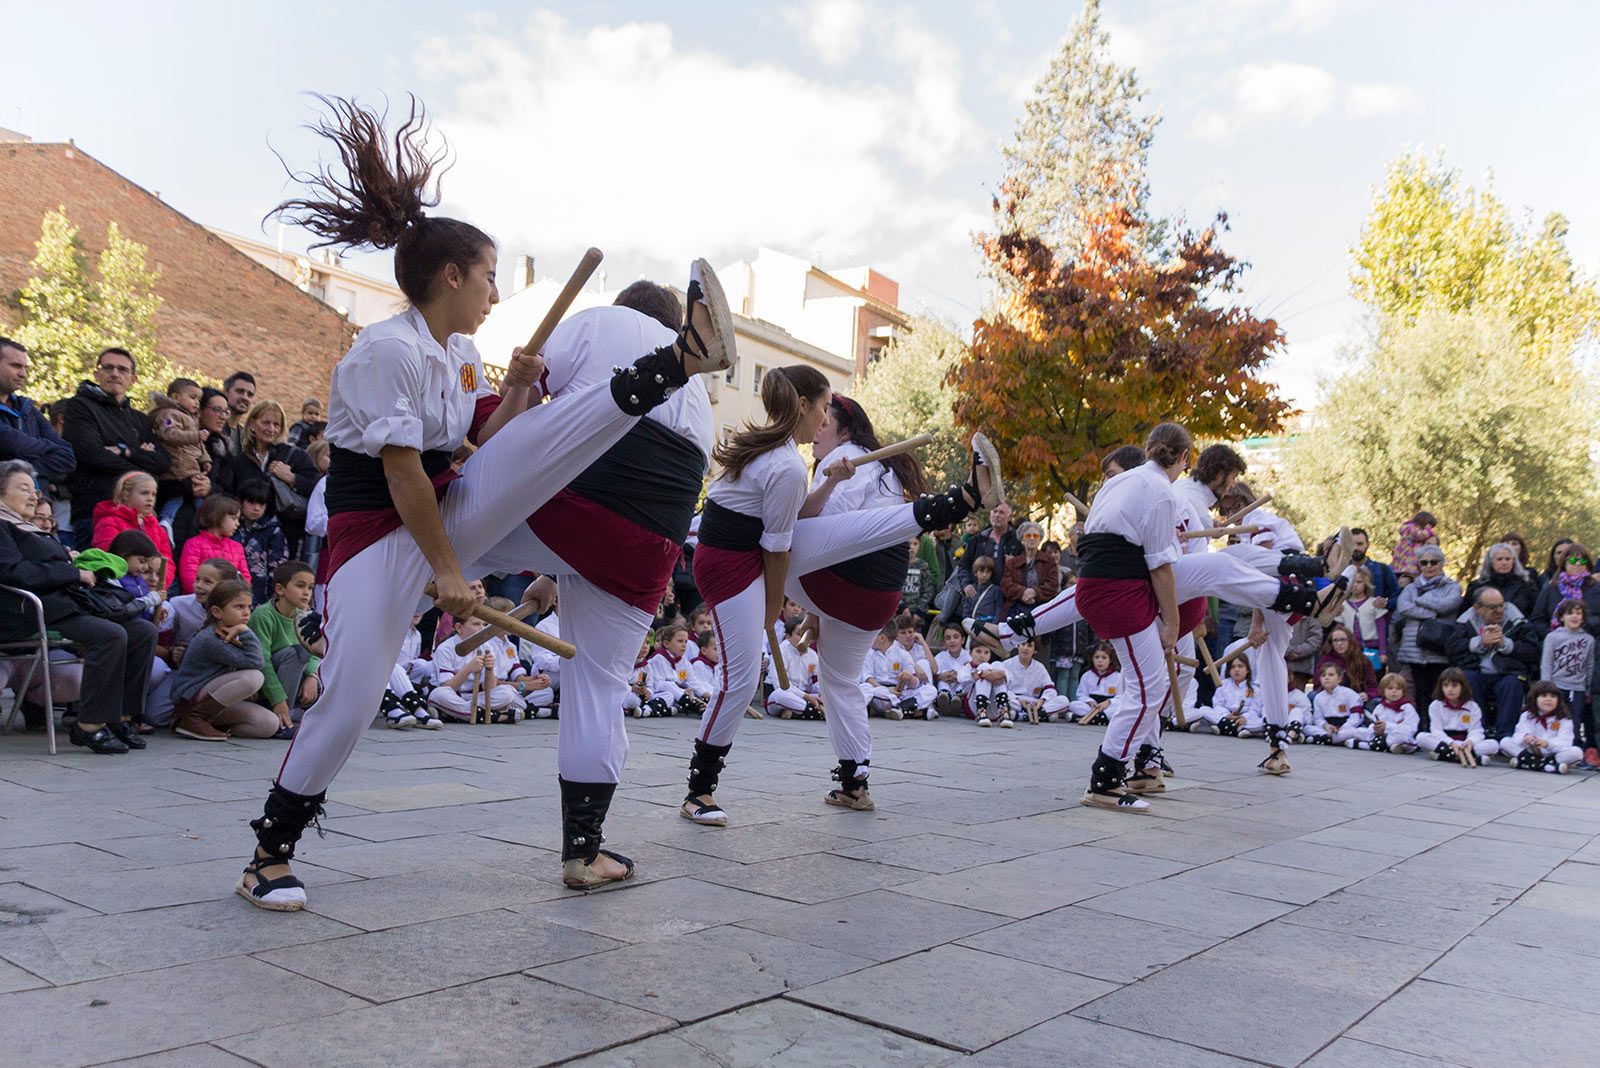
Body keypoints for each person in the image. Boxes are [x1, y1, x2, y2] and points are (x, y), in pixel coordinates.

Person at [235, 95, 739, 910]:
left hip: (450, 503)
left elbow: (488, 442)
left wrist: (516, 395)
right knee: (354, 696)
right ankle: (269, 853)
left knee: (554, 433)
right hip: (379, 536)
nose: (497, 295)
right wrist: (446, 571)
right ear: (452, 275)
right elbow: (400, 475)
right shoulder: (382, 350)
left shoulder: (463, 353)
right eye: (491, 277)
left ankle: (674, 364)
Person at [682, 384, 1001, 823]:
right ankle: (854, 782)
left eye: (826, 422)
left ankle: (960, 500)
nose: (818, 432)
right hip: (877, 595)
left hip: (843, 574)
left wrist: (785, 599)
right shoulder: (876, 468)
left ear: (842, 429)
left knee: (786, 540)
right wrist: (812, 606)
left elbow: (820, 533)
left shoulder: (837, 459)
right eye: (820, 416)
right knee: (841, 682)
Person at [0, 459, 157, 752]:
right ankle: (89, 724)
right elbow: (13, 572)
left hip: (65, 602)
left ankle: (121, 716)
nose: (34, 494)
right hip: (33, 610)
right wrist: (73, 572)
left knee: (142, 631)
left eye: (34, 487)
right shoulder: (2, 526)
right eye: (23, 488)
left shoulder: (28, 527)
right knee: (110, 635)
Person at [59, 347, 172, 548]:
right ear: (97, 373)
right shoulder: (79, 406)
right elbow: (91, 454)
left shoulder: (139, 419)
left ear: (133, 378)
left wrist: (124, 451)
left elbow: (163, 462)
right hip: (96, 513)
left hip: (138, 519)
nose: (115, 373)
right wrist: (142, 463)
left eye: (122, 369)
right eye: (108, 367)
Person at [168, 579, 282, 740]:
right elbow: (256, 662)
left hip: (214, 700)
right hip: (191, 699)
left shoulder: (232, 632)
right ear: (217, 612)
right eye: (239, 607)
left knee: (268, 724)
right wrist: (245, 631)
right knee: (254, 677)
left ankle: (210, 725)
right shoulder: (212, 638)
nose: (246, 612)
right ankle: (193, 720)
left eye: (249, 607)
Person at [216, 400, 320, 558]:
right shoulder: (239, 459)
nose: (271, 429)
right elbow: (227, 490)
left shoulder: (295, 455)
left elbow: (316, 488)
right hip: (246, 535)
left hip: (287, 534)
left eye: (276, 424)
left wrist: (292, 478)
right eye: (265, 422)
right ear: (252, 423)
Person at [1443, 586, 1539, 740]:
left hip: (1507, 673)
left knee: (1512, 683)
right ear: (1477, 608)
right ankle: (1476, 734)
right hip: (1477, 672)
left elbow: (1533, 651)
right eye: (1493, 607)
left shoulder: (1518, 621)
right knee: (1467, 679)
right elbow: (1452, 650)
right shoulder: (1465, 622)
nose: (1500, 610)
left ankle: (1505, 737)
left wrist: (1505, 644)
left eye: (1502, 605)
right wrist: (1479, 643)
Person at [249, 561, 325, 735]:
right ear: (280, 589)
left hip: (295, 679)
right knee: (296, 652)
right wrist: (278, 700)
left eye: (310, 587)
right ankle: (284, 717)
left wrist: (312, 676)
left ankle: (297, 712)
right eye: (300, 586)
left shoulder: (303, 614)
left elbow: (314, 651)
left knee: (331, 677)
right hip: (268, 686)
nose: (307, 592)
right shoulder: (263, 615)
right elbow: (262, 662)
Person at [1390, 545, 1461, 709]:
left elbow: (1449, 605)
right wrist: (1433, 613)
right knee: (1419, 691)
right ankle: (1422, 725)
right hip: (1413, 648)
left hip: (1439, 648)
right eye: (1424, 562)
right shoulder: (1410, 587)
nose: (1429, 566)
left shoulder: (1452, 586)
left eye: (1433, 562)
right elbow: (1404, 607)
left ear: (1441, 564)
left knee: (1440, 690)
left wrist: (1420, 601)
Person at [0, 337, 75, 490]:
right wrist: (49, 449)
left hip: (32, 505)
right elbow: (12, 442)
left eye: (25, 367)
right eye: (16, 366)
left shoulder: (27, 408)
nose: (23, 374)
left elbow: (67, 457)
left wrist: (20, 475)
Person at [91, 470, 175, 586]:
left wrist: (159, 582)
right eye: (144, 493)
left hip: (152, 589)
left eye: (153, 494)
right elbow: (109, 556)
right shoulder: (109, 522)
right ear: (125, 495)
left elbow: (167, 561)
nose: (150, 498)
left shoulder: (157, 528)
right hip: (121, 587)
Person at [1541, 599, 1598, 768]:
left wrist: (1587, 687)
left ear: (1583, 617)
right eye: (1570, 613)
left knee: (1573, 720)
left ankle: (1571, 753)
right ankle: (1548, 750)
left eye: (1578, 613)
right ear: (1562, 617)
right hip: (1555, 686)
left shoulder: (1588, 639)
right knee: (1552, 718)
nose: (1574, 616)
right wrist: (1546, 687)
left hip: (1577, 688)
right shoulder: (1552, 637)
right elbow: (1547, 662)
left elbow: (1589, 665)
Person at [146, 378, 209, 529]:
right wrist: (196, 436)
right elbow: (170, 434)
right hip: (177, 467)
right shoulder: (169, 414)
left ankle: (205, 524)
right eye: (192, 398)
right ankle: (166, 520)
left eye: (198, 399)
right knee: (178, 496)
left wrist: (205, 459)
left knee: (199, 496)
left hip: (191, 467)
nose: (196, 403)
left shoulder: (191, 419)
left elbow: (198, 445)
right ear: (175, 397)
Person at [1488, 683, 1582, 772]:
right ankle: (1546, 766)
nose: (1548, 699)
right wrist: (1526, 737)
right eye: (1544, 696)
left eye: (1553, 697)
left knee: (1576, 752)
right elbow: (1518, 734)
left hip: (1552, 753)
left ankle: (1528, 763)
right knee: (1505, 742)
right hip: (1529, 750)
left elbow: (1565, 741)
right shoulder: (1527, 715)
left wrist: (1547, 744)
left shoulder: (1564, 719)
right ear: (1535, 698)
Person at [1417, 668, 1495, 766]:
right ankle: (1471, 757)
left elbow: (1476, 730)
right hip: (1446, 743)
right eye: (1446, 685)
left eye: (1454, 686)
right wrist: (1450, 743)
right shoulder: (1436, 705)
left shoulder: (1472, 706)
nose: (1450, 689)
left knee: (1493, 745)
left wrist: (1470, 742)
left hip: (1465, 743)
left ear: (1462, 687)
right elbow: (1436, 730)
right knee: (1421, 737)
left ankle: (1446, 755)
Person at [178, 494, 252, 594]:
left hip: (228, 602)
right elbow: (189, 577)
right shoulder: (194, 544)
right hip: (199, 602)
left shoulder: (237, 547)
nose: (237, 524)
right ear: (218, 516)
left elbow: (244, 578)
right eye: (234, 518)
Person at [235, 480, 290, 604]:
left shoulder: (274, 531)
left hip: (262, 594)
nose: (256, 508)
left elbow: (278, 566)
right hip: (232, 589)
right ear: (240, 502)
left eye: (261, 504)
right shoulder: (231, 527)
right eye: (251, 503)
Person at [1190, 654, 1265, 737]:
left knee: (1263, 722)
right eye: (1233, 667)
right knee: (1204, 709)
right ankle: (1238, 729)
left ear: (1247, 670)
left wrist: (1244, 718)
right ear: (1229, 671)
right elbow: (1218, 704)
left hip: (1245, 717)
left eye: (1240, 666)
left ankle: (1225, 727)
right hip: (1226, 716)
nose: (1236, 670)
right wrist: (1227, 715)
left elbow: (1255, 710)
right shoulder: (1223, 684)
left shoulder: (1255, 689)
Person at [1531, 542, 1600, 630]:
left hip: (1590, 640)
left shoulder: (1596, 588)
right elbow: (1537, 619)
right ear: (1564, 563)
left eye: (1582, 561)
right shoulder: (1551, 588)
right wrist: (1552, 637)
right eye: (1573, 560)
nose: (1578, 564)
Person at [1001, 521, 1059, 623]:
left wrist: (1034, 592)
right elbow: (1006, 585)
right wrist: (1023, 592)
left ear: (1040, 539)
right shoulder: (1012, 563)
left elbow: (1053, 585)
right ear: (1022, 539)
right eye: (1028, 535)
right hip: (1016, 609)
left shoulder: (1049, 561)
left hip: (1043, 609)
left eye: (1035, 535)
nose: (1032, 538)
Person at [1004, 637, 1070, 724]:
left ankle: (1024, 716)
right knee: (1005, 699)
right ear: (1018, 646)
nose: (1025, 648)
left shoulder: (1039, 667)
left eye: (1030, 646)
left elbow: (1050, 688)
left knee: (1064, 700)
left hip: (1035, 703)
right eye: (1023, 644)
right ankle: (1042, 715)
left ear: (1035, 651)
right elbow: (1003, 689)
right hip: (1016, 701)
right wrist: (1018, 700)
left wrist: (1042, 700)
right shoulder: (1007, 664)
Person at [1465, 542, 1538, 619]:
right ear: (1491, 562)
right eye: (1499, 559)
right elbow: (1466, 616)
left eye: (1508, 559)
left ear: (1513, 562)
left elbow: (1535, 614)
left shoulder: (1527, 585)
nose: (1504, 563)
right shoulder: (1476, 586)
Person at [1349, 675, 1419, 753]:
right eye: (1390, 688)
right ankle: (1389, 746)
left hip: (1396, 734)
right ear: (1383, 691)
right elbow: (1373, 723)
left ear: (1403, 691)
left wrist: (1387, 726)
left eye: (1398, 689)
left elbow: (1411, 728)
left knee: (1401, 736)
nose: (1394, 691)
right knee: (1359, 731)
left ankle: (1367, 745)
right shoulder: (1380, 707)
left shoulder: (1406, 707)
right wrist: (1376, 729)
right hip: (1380, 735)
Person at [1338, 566, 1387, 673]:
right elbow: (1339, 631)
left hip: (1372, 648)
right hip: (1350, 649)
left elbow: (1381, 629)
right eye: (1353, 582)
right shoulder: (1343, 605)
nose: (1355, 585)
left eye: (1359, 582)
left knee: (1372, 677)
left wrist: (1383, 652)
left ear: (1366, 583)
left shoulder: (1374, 603)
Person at [1305, 663, 1364, 746]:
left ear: (1339, 679)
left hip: (1346, 727)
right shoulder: (1318, 697)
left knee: (1357, 731)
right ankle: (1334, 739)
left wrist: (1343, 728)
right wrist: (1326, 726)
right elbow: (1318, 718)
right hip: (1329, 728)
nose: (1326, 678)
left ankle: (1324, 739)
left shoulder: (1349, 694)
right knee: (1307, 729)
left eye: (1331, 675)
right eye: (1323, 675)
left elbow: (1357, 716)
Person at [1067, 641, 1120, 725]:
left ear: (1110, 659)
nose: (1100, 661)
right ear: (1092, 658)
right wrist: (1089, 701)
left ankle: (1085, 718)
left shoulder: (1118, 676)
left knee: (1118, 708)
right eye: (1097, 657)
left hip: (1108, 706)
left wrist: (1109, 702)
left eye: (1104, 657)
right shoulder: (1087, 675)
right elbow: (1081, 694)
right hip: (1092, 707)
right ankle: (1101, 719)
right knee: (1072, 704)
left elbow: (1121, 696)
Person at [1346, 528, 1398, 606]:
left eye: (1360, 544)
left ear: (1368, 544)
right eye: (1352, 544)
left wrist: (1386, 603)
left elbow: (1396, 597)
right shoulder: (1341, 570)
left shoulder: (1383, 570)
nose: (1355, 548)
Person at [932, 622, 973, 718]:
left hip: (961, 688)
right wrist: (940, 676)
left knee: (965, 681)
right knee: (943, 683)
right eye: (948, 638)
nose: (952, 641)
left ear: (962, 640)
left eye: (956, 637)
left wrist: (957, 676)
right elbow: (935, 673)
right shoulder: (940, 657)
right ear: (944, 642)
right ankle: (944, 698)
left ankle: (958, 700)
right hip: (946, 685)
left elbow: (971, 673)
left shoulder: (968, 656)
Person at [968, 642, 1011, 727]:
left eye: (986, 652)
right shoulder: (967, 667)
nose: (982, 655)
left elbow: (1011, 677)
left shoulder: (993, 667)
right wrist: (981, 673)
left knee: (997, 664)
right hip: (973, 707)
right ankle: (981, 712)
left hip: (993, 709)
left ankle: (1003, 711)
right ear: (970, 653)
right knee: (984, 666)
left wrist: (1000, 674)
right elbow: (962, 678)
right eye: (978, 651)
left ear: (990, 655)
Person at [1391, 511, 1438, 580]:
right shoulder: (1410, 527)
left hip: (1410, 560)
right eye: (1430, 526)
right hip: (1407, 558)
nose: (1430, 529)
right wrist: (1429, 531)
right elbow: (1419, 535)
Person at [222, 372, 257, 442]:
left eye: (250, 394)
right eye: (240, 391)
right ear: (225, 393)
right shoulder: (209, 427)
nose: (245, 397)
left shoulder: (248, 439)